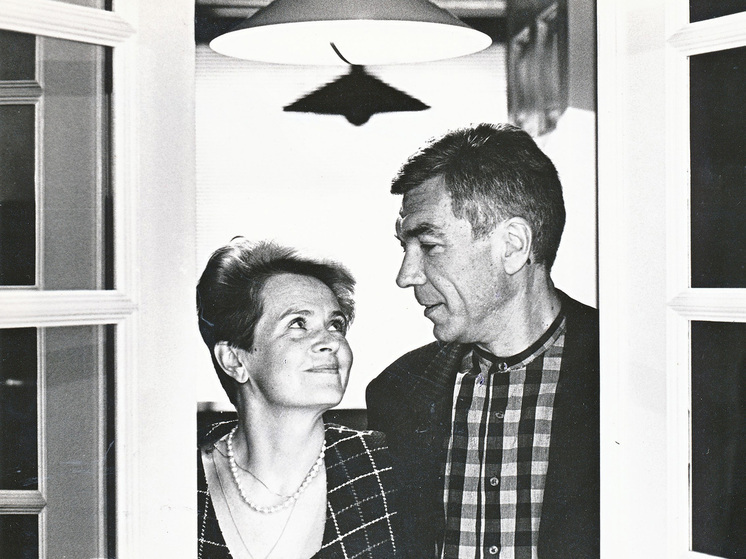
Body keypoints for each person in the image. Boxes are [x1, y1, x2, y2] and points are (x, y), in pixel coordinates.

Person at [366, 123, 599, 559]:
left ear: (512, 246)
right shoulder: (397, 391)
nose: (405, 276)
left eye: (429, 245)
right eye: (404, 248)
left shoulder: (623, 371)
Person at [196, 239, 406, 559]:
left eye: (335, 325)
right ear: (235, 360)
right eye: (298, 324)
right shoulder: (177, 475)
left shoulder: (387, 464)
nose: (331, 342)